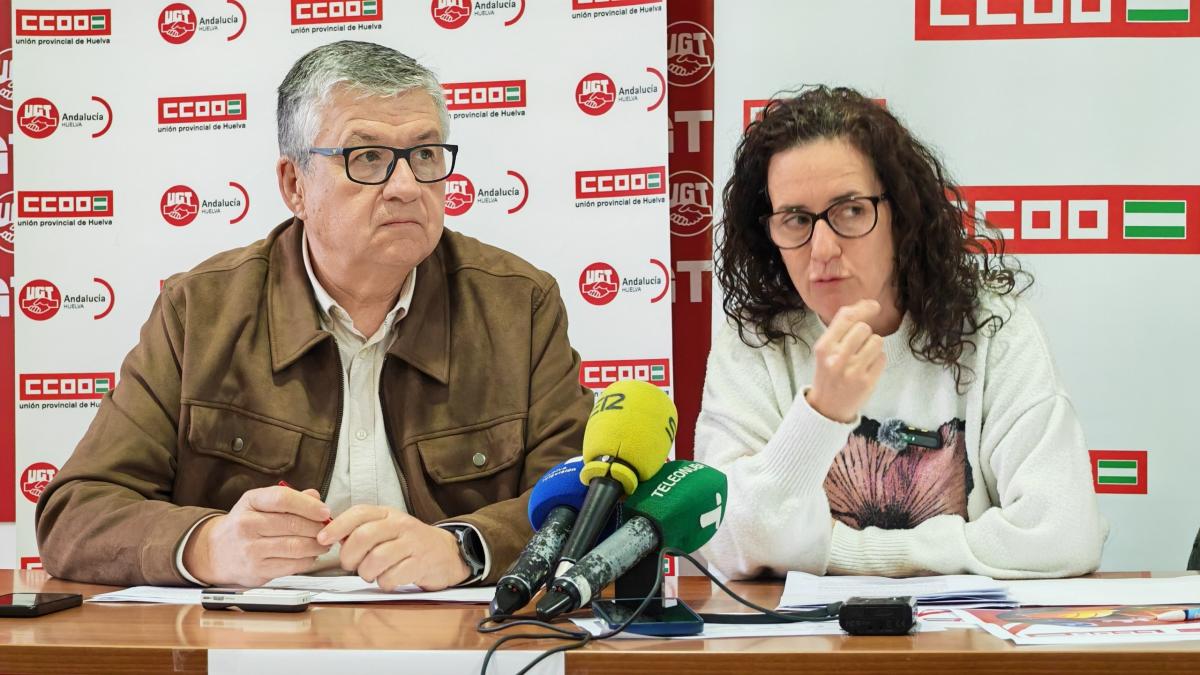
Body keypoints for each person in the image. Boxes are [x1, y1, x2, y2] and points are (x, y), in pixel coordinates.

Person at [35, 41, 592, 591]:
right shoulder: (199, 312)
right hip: (254, 635)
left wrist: (466, 548)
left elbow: (587, 502)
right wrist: (209, 545)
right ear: (294, 185)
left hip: (454, 633)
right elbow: (76, 513)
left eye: (425, 155)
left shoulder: (519, 306)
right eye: (367, 157)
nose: (406, 187)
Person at [696, 86, 1107, 580]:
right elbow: (723, 539)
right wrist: (822, 413)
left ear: (901, 215)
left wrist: (839, 552)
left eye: (851, 210)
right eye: (796, 219)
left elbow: (1064, 533)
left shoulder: (994, 330)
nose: (822, 249)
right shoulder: (754, 341)